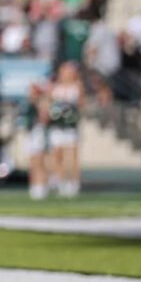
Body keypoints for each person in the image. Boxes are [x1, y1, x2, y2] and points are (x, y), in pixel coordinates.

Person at [47, 62, 83, 198]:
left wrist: (70, 108)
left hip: (70, 126)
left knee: (72, 155)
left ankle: (74, 183)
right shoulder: (54, 87)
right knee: (57, 155)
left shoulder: (77, 86)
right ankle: (61, 182)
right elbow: (49, 103)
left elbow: (81, 104)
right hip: (57, 126)